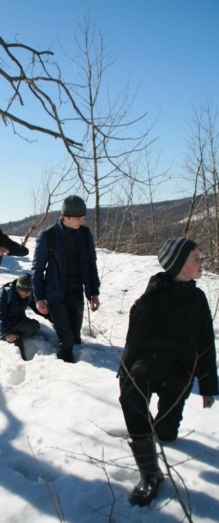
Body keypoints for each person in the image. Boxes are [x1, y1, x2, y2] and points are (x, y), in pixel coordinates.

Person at [118, 237, 218, 507]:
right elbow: (134, 338)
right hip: (149, 364)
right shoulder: (155, 296)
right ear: (177, 265)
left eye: (200, 256)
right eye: (195, 257)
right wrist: (126, 372)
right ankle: (150, 474)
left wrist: (208, 386)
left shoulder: (197, 299)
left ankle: (157, 430)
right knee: (131, 396)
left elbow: (207, 343)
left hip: (181, 372)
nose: (201, 261)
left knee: (166, 434)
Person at [32, 195, 100, 363]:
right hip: (55, 294)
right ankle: (66, 371)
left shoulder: (84, 234)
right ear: (66, 216)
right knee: (67, 340)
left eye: (84, 216)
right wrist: (39, 298)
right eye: (78, 217)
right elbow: (37, 269)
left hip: (76, 291)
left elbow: (91, 264)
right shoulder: (48, 235)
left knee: (75, 336)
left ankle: (66, 334)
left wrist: (94, 293)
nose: (82, 220)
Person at [0, 273, 41, 360]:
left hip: (18, 319)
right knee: (15, 348)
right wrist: (6, 332)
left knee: (35, 326)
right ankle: (8, 337)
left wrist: (52, 318)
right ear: (18, 288)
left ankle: (16, 335)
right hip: (5, 322)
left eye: (30, 291)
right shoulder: (5, 293)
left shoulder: (28, 295)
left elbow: (38, 308)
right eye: (25, 292)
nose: (28, 294)